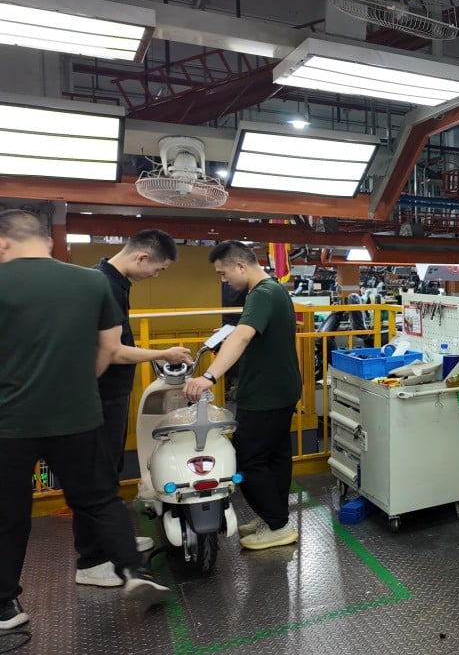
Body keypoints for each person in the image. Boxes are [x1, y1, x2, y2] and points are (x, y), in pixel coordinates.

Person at [0, 210, 170, 631]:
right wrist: (75, 386)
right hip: (77, 413)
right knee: (98, 498)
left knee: (9, 512)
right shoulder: (92, 281)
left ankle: (5, 606)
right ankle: (134, 571)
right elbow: (108, 350)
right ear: (49, 243)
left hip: (9, 422)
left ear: (3, 243)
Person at [74, 230, 194, 588]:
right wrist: (163, 353)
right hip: (98, 395)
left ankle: (115, 544)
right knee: (95, 477)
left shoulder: (116, 282)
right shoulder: (104, 284)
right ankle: (91, 561)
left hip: (112, 393)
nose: (156, 276)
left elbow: (119, 342)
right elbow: (113, 351)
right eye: (158, 269)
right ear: (142, 258)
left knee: (108, 471)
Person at [182, 240, 302, 551]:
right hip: (281, 389)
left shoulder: (261, 294)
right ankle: (275, 518)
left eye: (223, 274)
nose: (225, 281)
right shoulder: (273, 290)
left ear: (240, 265)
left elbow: (244, 334)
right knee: (275, 457)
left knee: (247, 460)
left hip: (265, 394)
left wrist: (209, 376)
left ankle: (277, 524)